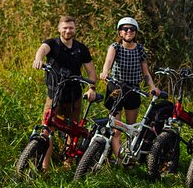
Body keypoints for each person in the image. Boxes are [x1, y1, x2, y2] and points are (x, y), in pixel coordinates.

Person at [32, 15, 97, 169]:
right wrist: (38, 59)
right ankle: (45, 166)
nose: (68, 31)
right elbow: (42, 49)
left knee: (72, 130)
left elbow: (91, 72)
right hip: (54, 94)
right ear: (59, 29)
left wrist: (91, 88)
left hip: (74, 95)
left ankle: (68, 164)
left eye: (71, 28)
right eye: (65, 28)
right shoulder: (52, 44)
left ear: (75, 29)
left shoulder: (81, 48)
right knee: (47, 129)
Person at [99, 17, 160, 157]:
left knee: (130, 127)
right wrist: (105, 71)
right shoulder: (115, 47)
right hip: (116, 87)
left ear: (135, 32)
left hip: (133, 89)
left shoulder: (140, 49)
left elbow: (146, 71)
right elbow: (108, 60)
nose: (128, 32)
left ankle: (129, 155)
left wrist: (152, 86)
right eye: (125, 29)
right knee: (116, 127)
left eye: (132, 29)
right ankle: (118, 159)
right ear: (120, 32)